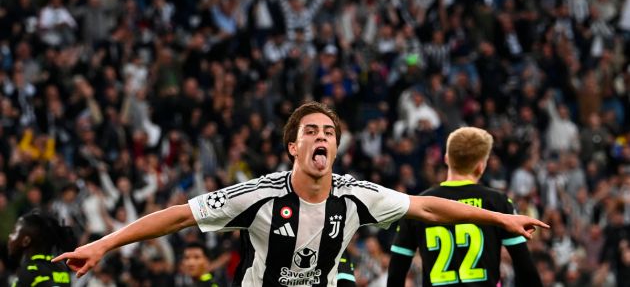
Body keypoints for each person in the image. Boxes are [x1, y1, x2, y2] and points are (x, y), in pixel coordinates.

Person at [54, 102, 548, 286]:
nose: (321, 138)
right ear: (293, 145)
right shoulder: (259, 195)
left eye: (329, 132)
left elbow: (425, 205)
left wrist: (502, 221)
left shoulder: (357, 194)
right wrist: (101, 245)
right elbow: (179, 216)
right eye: (311, 131)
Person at [386, 127, 543, 286]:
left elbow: (396, 273)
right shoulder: (497, 202)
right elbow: (526, 269)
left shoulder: (419, 204)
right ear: (481, 166)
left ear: (447, 159)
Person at [8, 210, 75, 287]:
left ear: (26, 241)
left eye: (14, 232)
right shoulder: (61, 268)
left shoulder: (31, 271)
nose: (10, 236)